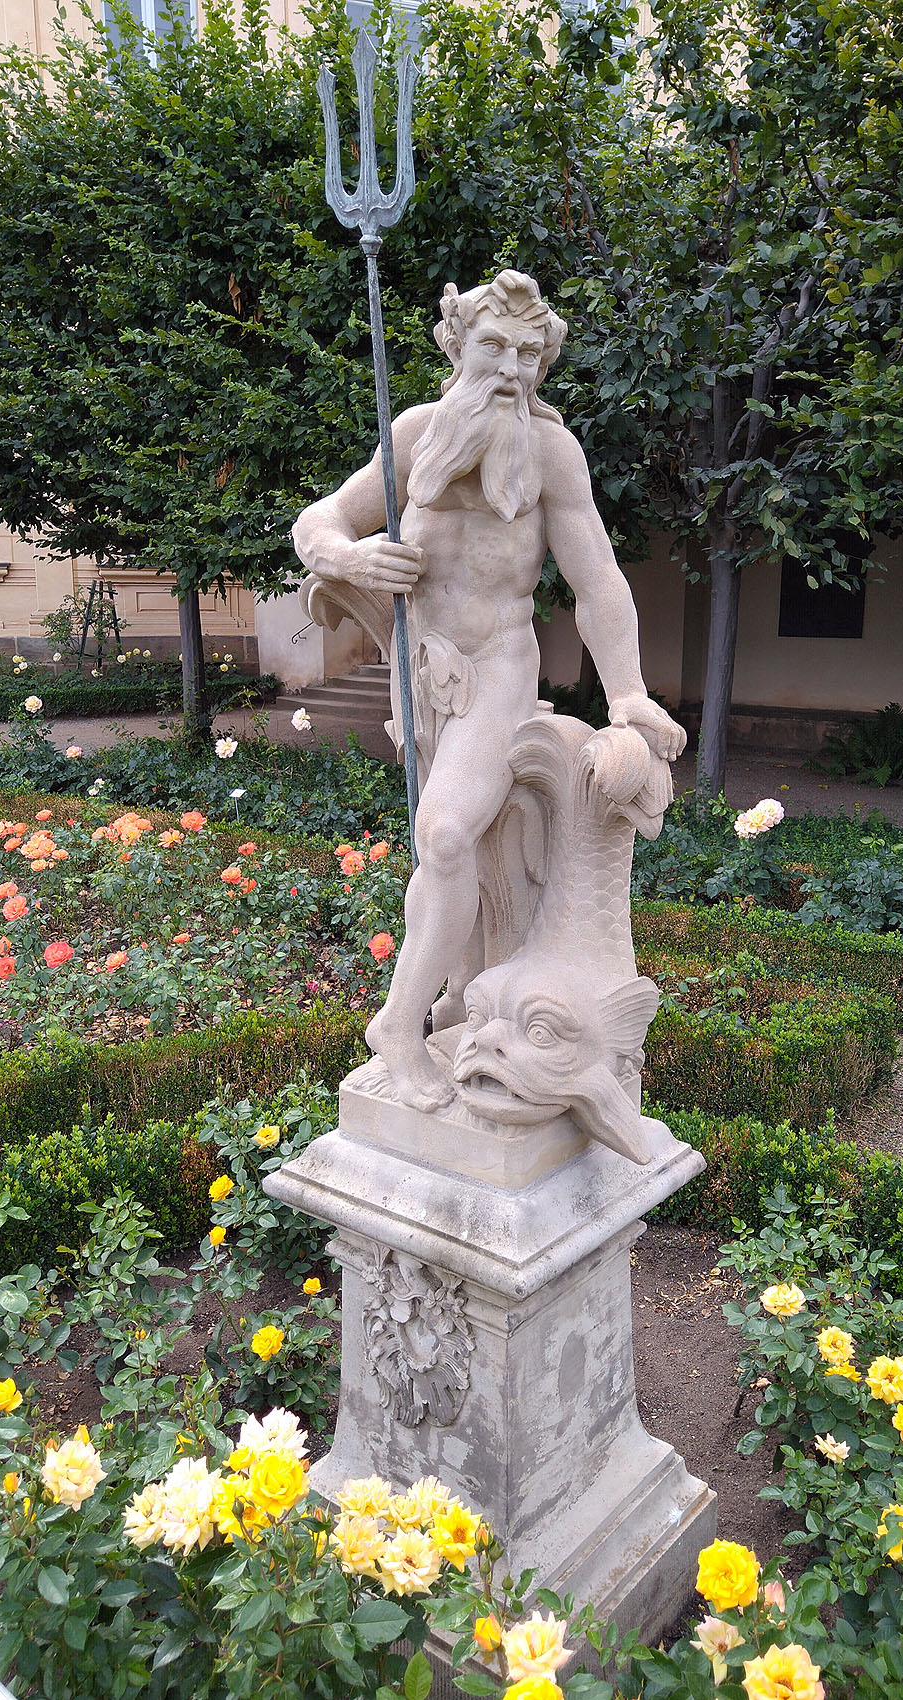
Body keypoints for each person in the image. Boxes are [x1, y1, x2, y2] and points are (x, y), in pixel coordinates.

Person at [293, 270, 685, 1110]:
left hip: (500, 665)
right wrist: (349, 556)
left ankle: (397, 1028)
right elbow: (319, 520)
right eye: (493, 347)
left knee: (442, 835)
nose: (510, 368)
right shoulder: (414, 435)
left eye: (528, 354)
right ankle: (457, 994)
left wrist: (625, 692)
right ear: (456, 347)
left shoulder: (550, 453)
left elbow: (597, 580)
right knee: (450, 848)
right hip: (420, 672)